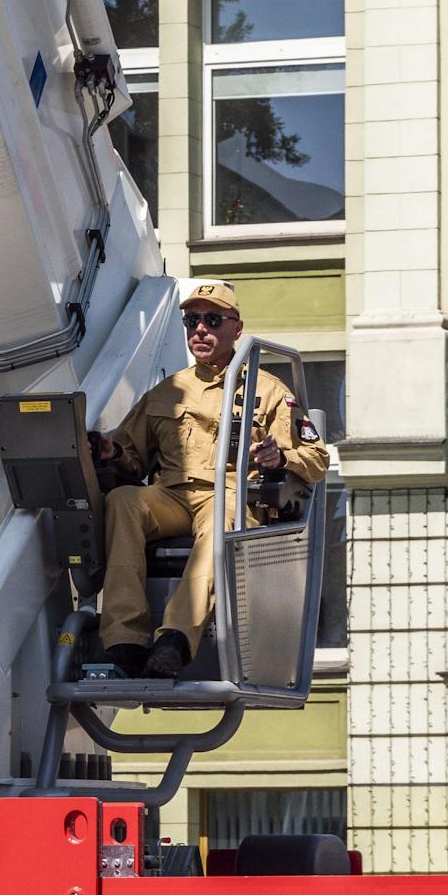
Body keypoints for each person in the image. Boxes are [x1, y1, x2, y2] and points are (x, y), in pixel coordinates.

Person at [87, 281, 329, 680]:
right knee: (124, 501)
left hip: (232, 496)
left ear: (236, 328)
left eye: (212, 320)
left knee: (222, 518)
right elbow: (131, 456)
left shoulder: (266, 391)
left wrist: (279, 456)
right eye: (192, 320)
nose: (200, 329)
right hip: (172, 496)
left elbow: (317, 458)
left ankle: (174, 641)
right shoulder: (168, 391)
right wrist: (111, 451)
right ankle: (124, 641)